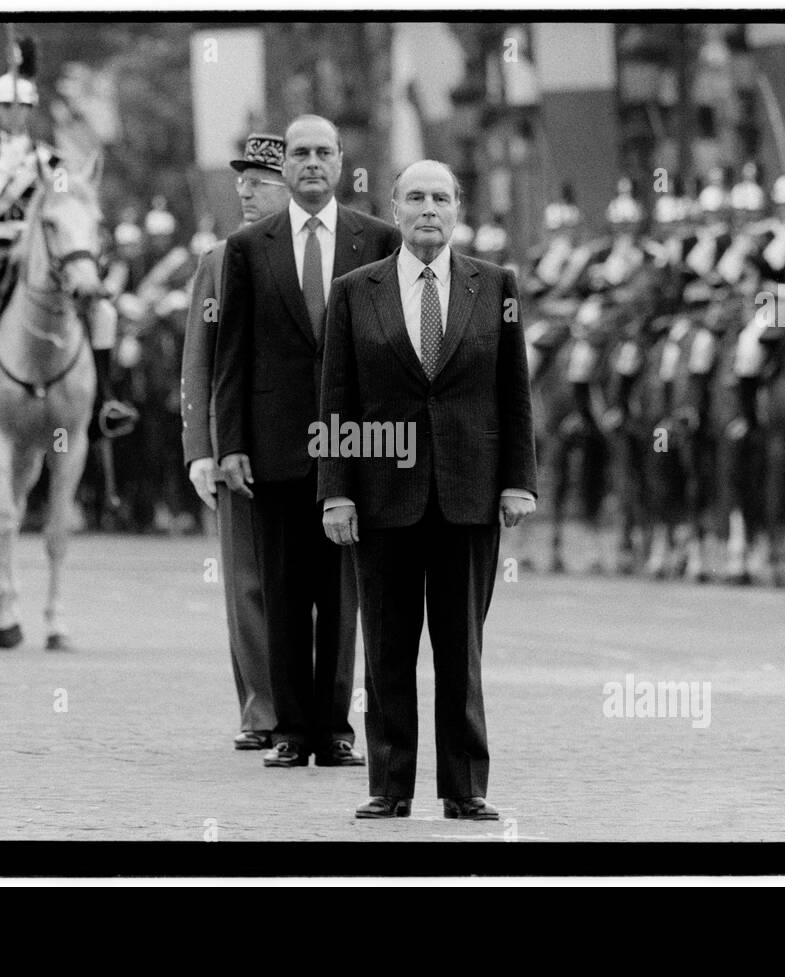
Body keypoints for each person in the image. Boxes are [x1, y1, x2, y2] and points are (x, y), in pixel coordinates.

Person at [318, 160, 538, 819]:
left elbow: (514, 396)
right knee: (386, 646)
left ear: (459, 207)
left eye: (440, 197)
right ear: (394, 207)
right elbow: (337, 397)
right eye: (414, 197)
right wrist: (336, 492)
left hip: (469, 495)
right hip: (382, 499)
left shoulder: (496, 285)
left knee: (459, 649)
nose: (428, 209)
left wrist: (518, 482)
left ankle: (464, 786)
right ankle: (388, 784)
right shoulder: (356, 291)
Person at [213, 115, 402, 769]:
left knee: (344, 594)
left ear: (343, 161)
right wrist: (230, 441)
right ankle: (292, 728)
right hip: (275, 445)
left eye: (324, 152)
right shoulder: (249, 246)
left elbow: (394, 353)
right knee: (286, 588)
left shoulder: (379, 239)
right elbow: (231, 355)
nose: (312, 163)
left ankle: (336, 727)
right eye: (301, 153)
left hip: (355, 444)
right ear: (285, 166)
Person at [0, 37, 135, 445]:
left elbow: (66, 204)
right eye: (6, 107)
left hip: (45, 251)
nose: (13, 114)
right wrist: (2, 168)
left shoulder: (50, 160)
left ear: (30, 110)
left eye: (21, 107)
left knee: (104, 313)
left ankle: (103, 402)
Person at [180, 133, 290, 750]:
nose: (244, 189)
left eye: (260, 181)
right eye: (242, 179)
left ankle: (317, 708)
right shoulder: (218, 261)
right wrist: (200, 446)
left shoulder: (333, 256)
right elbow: (198, 361)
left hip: (315, 443)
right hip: (235, 444)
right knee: (246, 580)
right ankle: (261, 707)